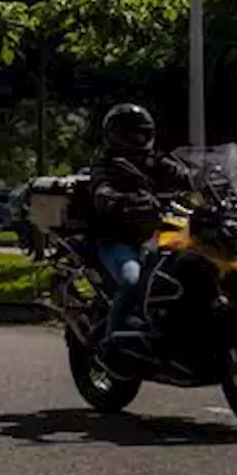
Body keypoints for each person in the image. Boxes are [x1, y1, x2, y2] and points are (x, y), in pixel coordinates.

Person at [88, 103, 190, 351]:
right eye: (129, 134)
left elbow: (187, 176)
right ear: (114, 136)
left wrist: (207, 182)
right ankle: (112, 342)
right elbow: (100, 189)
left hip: (161, 234)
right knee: (133, 280)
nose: (136, 140)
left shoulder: (157, 160)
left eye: (140, 133)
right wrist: (114, 197)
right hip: (120, 239)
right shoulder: (106, 165)